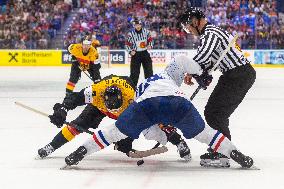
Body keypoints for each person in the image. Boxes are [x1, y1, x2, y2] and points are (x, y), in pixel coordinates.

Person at [64, 55, 254, 169]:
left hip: (147, 106)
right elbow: (181, 60)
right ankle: (235, 153)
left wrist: (163, 135)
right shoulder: (167, 74)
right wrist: (200, 74)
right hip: (179, 104)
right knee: (206, 135)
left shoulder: (139, 90)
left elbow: (149, 131)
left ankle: (81, 151)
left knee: (112, 132)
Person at [37, 75, 190, 160]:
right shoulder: (95, 92)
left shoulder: (133, 99)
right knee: (77, 125)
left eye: (115, 108)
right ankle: (52, 145)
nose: (113, 111)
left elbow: (150, 117)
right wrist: (62, 110)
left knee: (150, 125)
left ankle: (179, 142)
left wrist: (126, 140)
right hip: (99, 107)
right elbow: (74, 98)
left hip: (127, 112)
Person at [178, 7, 256, 167]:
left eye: (188, 27)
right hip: (234, 75)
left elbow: (204, 55)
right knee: (214, 112)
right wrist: (201, 73)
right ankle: (221, 148)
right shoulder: (210, 33)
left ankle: (222, 152)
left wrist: (192, 72)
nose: (189, 31)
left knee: (215, 113)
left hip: (238, 75)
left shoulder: (211, 33)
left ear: (194, 21)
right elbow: (209, 60)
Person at [125, 17, 153, 86]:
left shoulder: (146, 32)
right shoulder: (130, 34)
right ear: (134, 25)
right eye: (136, 25)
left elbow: (150, 40)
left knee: (149, 71)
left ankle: (149, 86)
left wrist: (150, 45)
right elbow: (127, 44)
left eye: (139, 25)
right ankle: (132, 87)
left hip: (145, 53)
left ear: (141, 24)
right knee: (134, 73)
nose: (138, 26)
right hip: (136, 55)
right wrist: (130, 51)